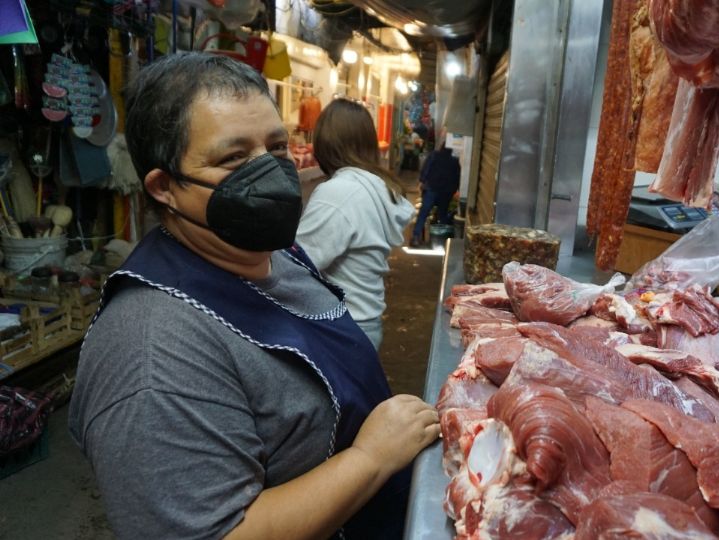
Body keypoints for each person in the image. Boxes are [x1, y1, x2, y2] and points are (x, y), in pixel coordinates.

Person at [68, 53, 439, 540]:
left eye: (277, 146)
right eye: (233, 157)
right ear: (165, 189)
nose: (269, 171)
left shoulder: (273, 253)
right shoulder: (151, 351)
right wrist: (369, 459)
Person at [296, 98, 414, 350]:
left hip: (341, 330)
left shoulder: (340, 193)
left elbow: (298, 263)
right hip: (365, 325)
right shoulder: (376, 186)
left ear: (325, 142)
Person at [411, 138, 461, 247]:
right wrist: (454, 190)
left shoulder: (435, 155)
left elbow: (426, 168)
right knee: (442, 215)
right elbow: (457, 177)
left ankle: (415, 237)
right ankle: (440, 240)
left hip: (431, 189)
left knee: (423, 213)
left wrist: (422, 181)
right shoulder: (455, 161)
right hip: (445, 192)